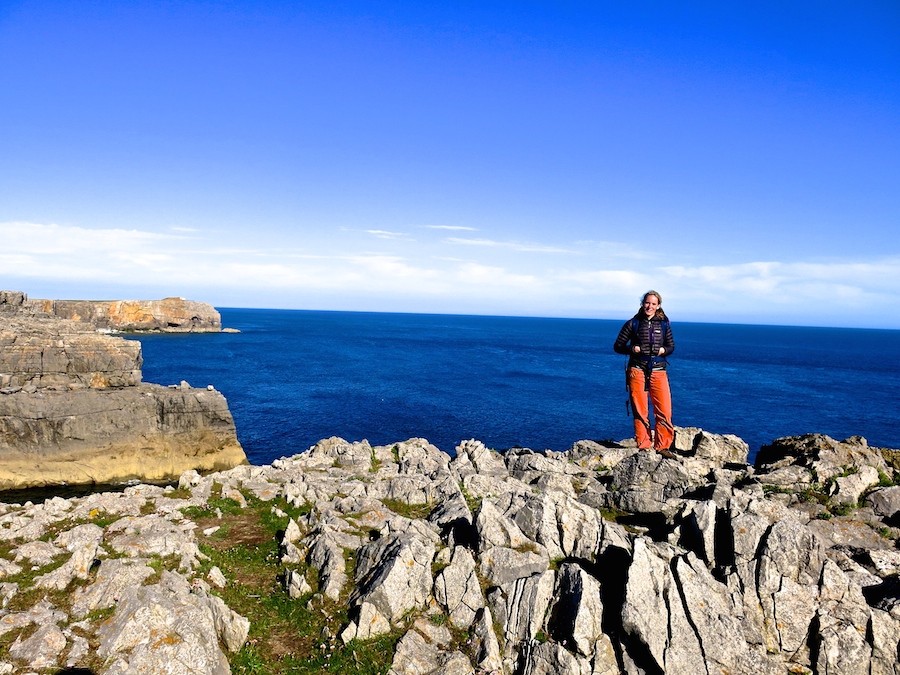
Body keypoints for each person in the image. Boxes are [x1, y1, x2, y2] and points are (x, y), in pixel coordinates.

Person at [613, 290, 676, 458]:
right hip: (637, 370)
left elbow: (671, 346)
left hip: (658, 370)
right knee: (640, 409)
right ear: (642, 303)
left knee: (664, 409)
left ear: (658, 306)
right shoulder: (633, 323)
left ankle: (663, 446)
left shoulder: (664, 324)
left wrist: (664, 350)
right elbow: (618, 346)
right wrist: (631, 349)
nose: (650, 306)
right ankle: (644, 445)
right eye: (647, 303)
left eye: (653, 304)